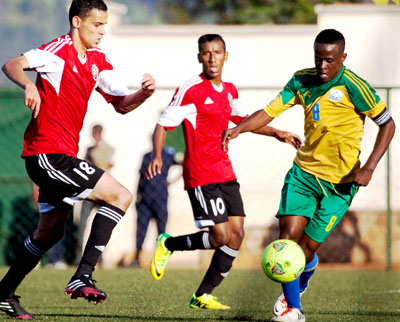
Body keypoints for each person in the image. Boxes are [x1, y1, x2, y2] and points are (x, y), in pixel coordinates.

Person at [222, 29, 395, 322]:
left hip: (340, 184)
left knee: (306, 250)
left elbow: (387, 124)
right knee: (287, 240)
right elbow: (269, 111)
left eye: (329, 60)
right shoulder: (302, 80)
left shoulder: (355, 86)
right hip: (303, 174)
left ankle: (301, 279)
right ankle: (293, 310)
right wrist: (241, 128)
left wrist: (369, 167)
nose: (323, 66)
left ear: (343, 58)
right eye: (318, 59)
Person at [0, 0, 155, 319]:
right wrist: (29, 84)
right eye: (96, 24)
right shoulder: (55, 52)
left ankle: (3, 294)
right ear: (76, 22)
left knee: (48, 234)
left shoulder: (99, 60)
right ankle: (82, 274)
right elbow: (11, 64)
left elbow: (120, 104)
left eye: (104, 24)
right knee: (121, 195)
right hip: (46, 154)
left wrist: (143, 94)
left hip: (61, 157)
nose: (102, 31)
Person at [146, 34, 302, 310]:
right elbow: (163, 123)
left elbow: (246, 121)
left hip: (225, 172)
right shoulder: (191, 89)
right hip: (200, 174)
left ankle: (202, 295)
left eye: (217, 52)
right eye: (206, 53)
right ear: (199, 57)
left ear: (225, 55)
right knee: (219, 236)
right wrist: (158, 156)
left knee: (237, 233)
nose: (212, 58)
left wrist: (277, 132)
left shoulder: (230, 89)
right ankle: (169, 244)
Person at [131, 146, 182, 268]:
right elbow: (141, 177)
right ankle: (137, 258)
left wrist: (171, 181)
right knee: (141, 229)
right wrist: (137, 194)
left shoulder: (168, 155)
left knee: (161, 230)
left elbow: (184, 164)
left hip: (161, 198)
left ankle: (159, 260)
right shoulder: (147, 156)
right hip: (145, 198)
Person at [76, 124, 115, 265]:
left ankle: (100, 258)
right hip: (90, 192)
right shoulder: (89, 150)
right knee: (82, 225)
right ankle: (78, 258)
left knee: (103, 226)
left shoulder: (107, 149)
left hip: (103, 193)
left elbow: (104, 166)